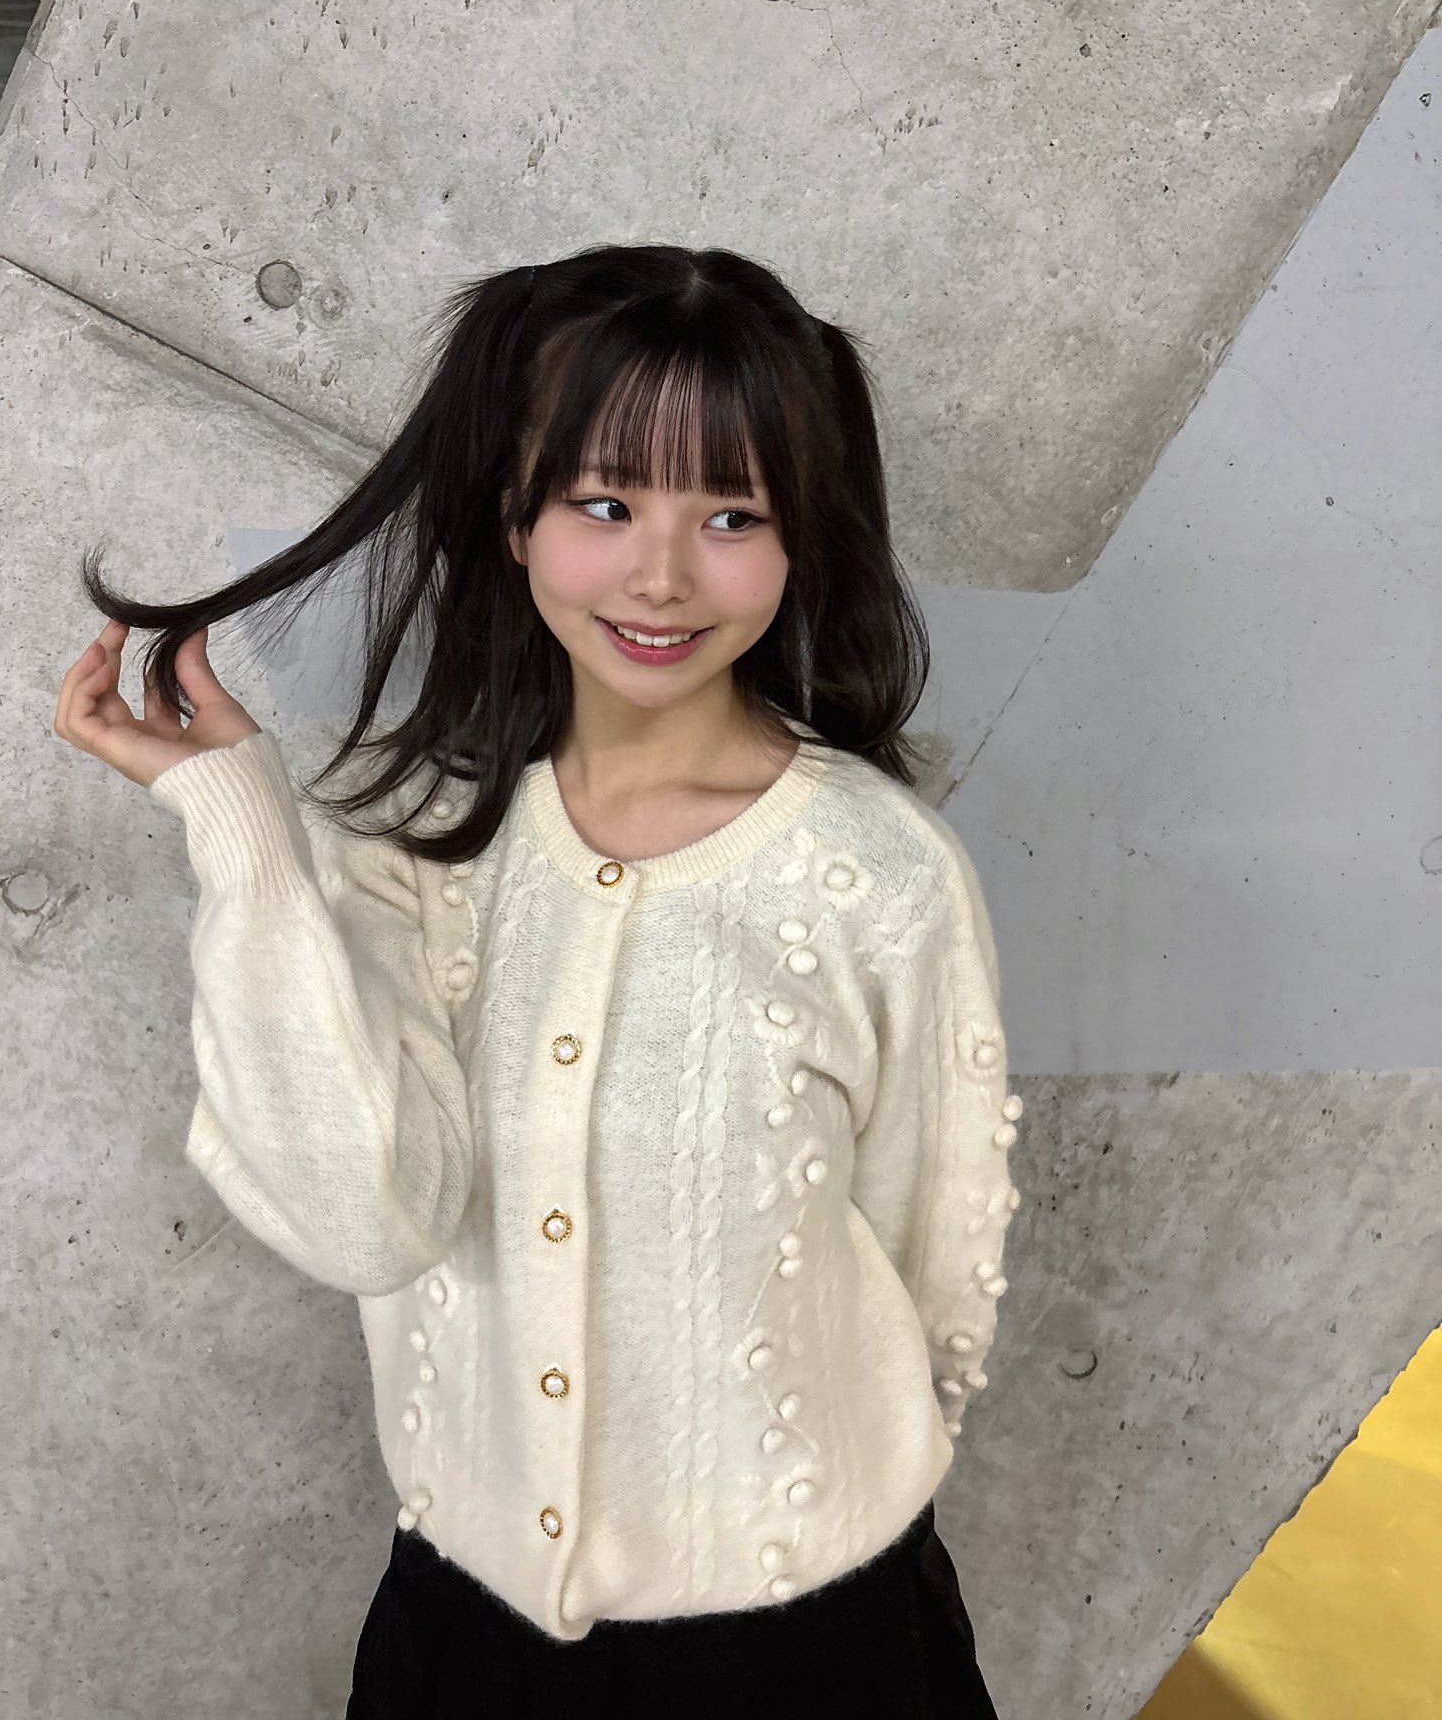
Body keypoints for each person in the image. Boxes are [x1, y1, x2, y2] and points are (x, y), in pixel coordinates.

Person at [53, 244, 1018, 1717]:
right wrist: (242, 835)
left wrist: (808, 1504)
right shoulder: (420, 854)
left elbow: (936, 1259)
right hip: (467, 1634)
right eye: (604, 503)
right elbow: (364, 1217)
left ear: (801, 538)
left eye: (735, 515)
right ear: (514, 516)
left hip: (818, 1643)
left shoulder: (882, 876)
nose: (661, 575)